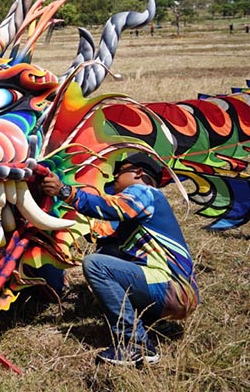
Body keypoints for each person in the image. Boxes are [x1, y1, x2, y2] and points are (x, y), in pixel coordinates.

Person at [41, 153, 199, 366]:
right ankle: (147, 322)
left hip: (171, 288)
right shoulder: (139, 216)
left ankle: (136, 345)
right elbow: (106, 237)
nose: (114, 175)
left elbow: (109, 208)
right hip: (173, 293)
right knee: (108, 253)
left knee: (96, 265)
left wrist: (65, 191)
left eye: (120, 170)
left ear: (139, 172)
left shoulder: (145, 192)